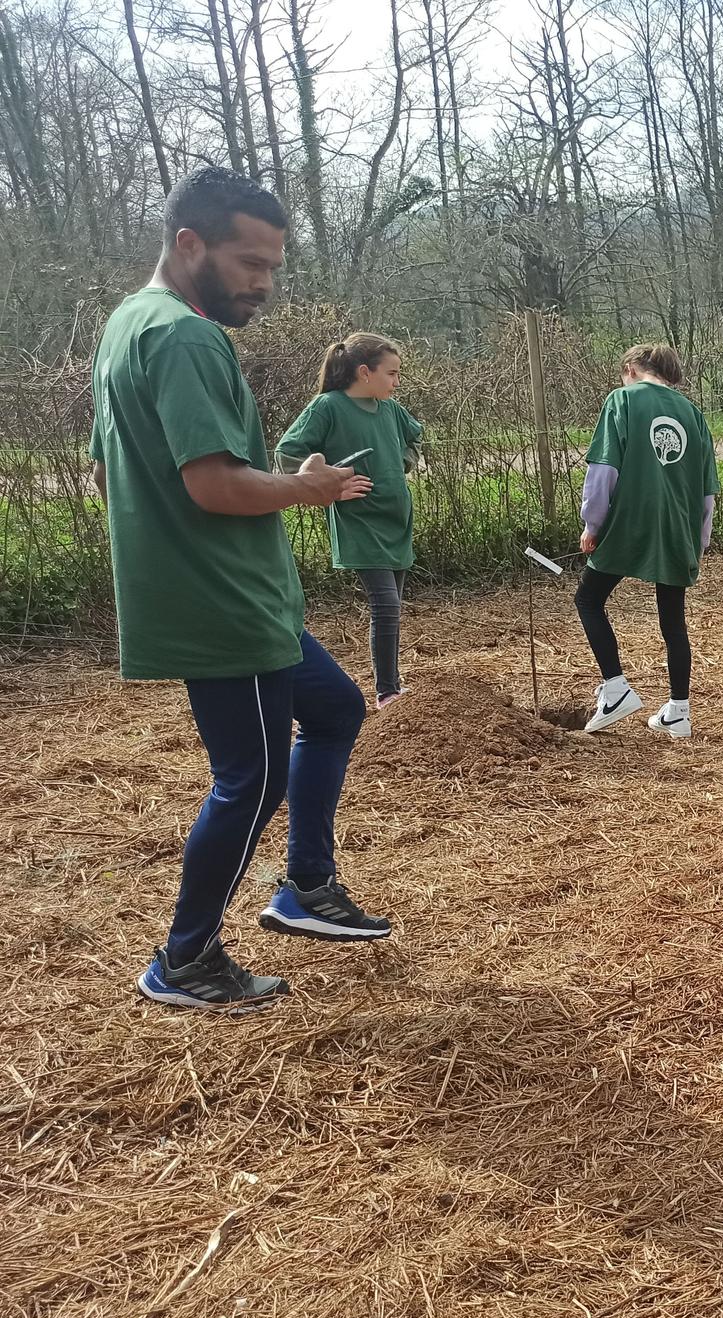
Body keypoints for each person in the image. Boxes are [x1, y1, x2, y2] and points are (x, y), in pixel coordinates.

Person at [89, 167, 389, 1013]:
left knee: (333, 709)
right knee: (248, 780)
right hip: (222, 600)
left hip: (235, 594)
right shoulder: (185, 336)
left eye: (273, 266)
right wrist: (307, 487)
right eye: (249, 262)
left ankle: (305, 888)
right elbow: (214, 485)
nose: (264, 283)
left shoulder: (127, 324)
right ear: (191, 245)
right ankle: (186, 960)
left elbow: (123, 469)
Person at [574, 343, 719, 738]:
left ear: (632, 370)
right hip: (677, 526)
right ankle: (679, 711)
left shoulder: (621, 401)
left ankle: (617, 688)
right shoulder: (693, 414)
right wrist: (699, 540)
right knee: (672, 618)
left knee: (588, 599)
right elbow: (708, 489)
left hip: (629, 521)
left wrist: (593, 523)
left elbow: (604, 468)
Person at [276, 333, 423, 708]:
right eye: (391, 373)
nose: (396, 381)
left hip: (396, 520)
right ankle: (387, 691)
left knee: (394, 604)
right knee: (386, 604)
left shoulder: (391, 410)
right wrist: (332, 488)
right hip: (359, 522)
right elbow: (288, 455)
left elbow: (414, 440)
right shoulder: (327, 407)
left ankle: (393, 685)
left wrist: (402, 462)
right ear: (364, 372)